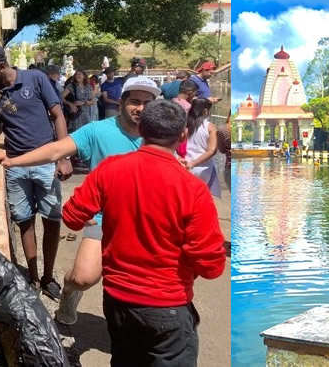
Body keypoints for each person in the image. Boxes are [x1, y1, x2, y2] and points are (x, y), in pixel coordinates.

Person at [61, 99, 225, 366]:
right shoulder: (192, 189)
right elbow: (211, 265)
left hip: (118, 302)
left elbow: (71, 217)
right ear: (183, 135)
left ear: (142, 130)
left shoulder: (109, 169)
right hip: (168, 304)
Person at [0, 76, 160, 325]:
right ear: (121, 103)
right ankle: (69, 291)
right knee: (83, 278)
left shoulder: (162, 136)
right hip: (105, 218)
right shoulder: (98, 130)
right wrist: (14, 161)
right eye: (135, 101)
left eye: (148, 103)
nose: (141, 108)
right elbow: (56, 150)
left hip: (147, 220)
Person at [0, 45, 72, 300]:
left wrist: (63, 156)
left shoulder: (36, 79)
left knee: (51, 220)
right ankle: (35, 278)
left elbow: (58, 116)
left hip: (46, 162)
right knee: (24, 221)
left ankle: (49, 278)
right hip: (15, 165)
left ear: (1, 67)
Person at [185, 98, 221, 198]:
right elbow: (211, 151)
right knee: (204, 198)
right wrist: (193, 164)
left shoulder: (185, 125)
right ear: (206, 111)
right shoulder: (210, 127)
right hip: (204, 168)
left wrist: (189, 164)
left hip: (185, 165)